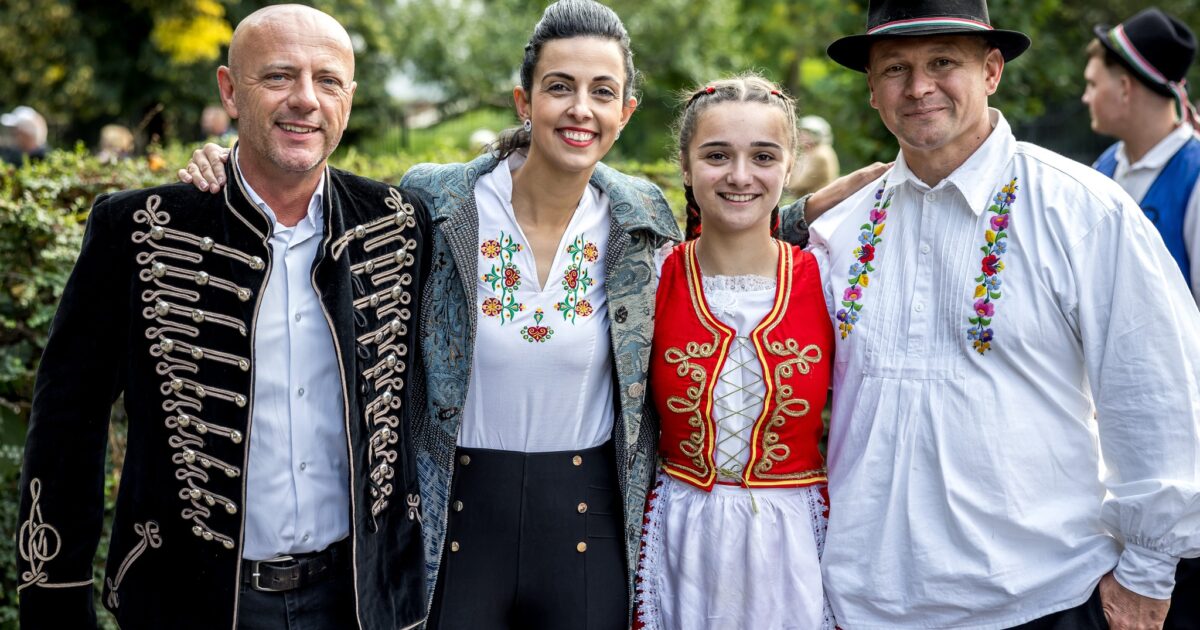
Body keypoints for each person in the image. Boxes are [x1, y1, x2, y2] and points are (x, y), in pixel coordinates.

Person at [177, 3, 885, 625]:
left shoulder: (638, 215)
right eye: (559, 87)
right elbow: (323, 208)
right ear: (525, 100)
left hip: (588, 524)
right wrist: (227, 172)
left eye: (601, 92)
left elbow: (729, 240)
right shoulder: (437, 201)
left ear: (625, 112)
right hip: (457, 518)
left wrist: (805, 212)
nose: (580, 109)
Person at [16, 5, 428, 629]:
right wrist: (55, 600)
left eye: (328, 80)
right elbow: (66, 425)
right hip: (188, 603)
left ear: (349, 97)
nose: (306, 99)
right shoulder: (139, 229)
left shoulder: (398, 225)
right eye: (279, 76)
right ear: (231, 91)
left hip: (359, 603)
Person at [799, 0, 1200, 627]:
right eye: (895, 68)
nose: (919, 86)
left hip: (1042, 596)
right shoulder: (839, 230)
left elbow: (1157, 391)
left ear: (991, 71)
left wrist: (1148, 573)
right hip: (862, 600)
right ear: (872, 90)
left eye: (943, 62)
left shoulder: (1081, 209)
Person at [635, 75, 835, 630]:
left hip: (793, 541)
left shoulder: (828, 278)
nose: (740, 176)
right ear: (685, 166)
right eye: (717, 155)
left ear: (790, 168)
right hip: (680, 536)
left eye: (763, 156)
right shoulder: (650, 277)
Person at [1082, 8, 1200, 304]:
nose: (1085, 97)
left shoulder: (1194, 175)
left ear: (1124, 88)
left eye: (1093, 84)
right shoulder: (1104, 166)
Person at [787, 114, 841, 197]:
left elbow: (801, 184)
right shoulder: (813, 152)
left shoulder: (820, 155)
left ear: (816, 135)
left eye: (806, 133)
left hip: (820, 200)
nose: (801, 136)